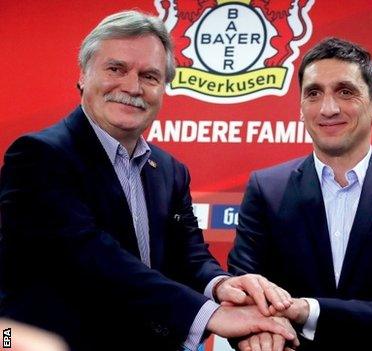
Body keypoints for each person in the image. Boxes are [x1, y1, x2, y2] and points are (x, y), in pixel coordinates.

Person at [0, 10, 298, 351]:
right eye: (116, 69)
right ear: (83, 75)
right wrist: (212, 316)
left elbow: (189, 256)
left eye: (150, 76)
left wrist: (222, 287)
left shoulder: (169, 169)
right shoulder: (38, 156)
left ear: (163, 88)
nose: (132, 87)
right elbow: (93, 259)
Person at [228, 37, 372, 350]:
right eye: (314, 94)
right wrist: (257, 331)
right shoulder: (266, 189)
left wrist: (309, 311)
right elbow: (245, 294)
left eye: (345, 91)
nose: (328, 108)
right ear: (301, 108)